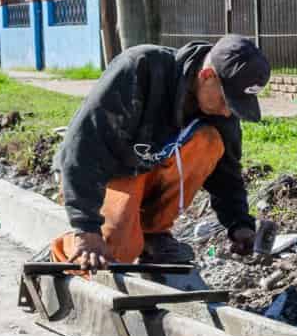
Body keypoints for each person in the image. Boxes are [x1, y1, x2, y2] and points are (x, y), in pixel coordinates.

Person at [49, 35, 270, 270]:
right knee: (111, 250)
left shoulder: (219, 110)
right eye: (226, 101)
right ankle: (60, 256)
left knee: (211, 142)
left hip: (146, 168)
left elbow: (227, 173)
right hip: (102, 175)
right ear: (207, 76)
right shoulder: (140, 69)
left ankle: (153, 235)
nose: (228, 112)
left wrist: (239, 224)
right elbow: (83, 148)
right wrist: (86, 229)